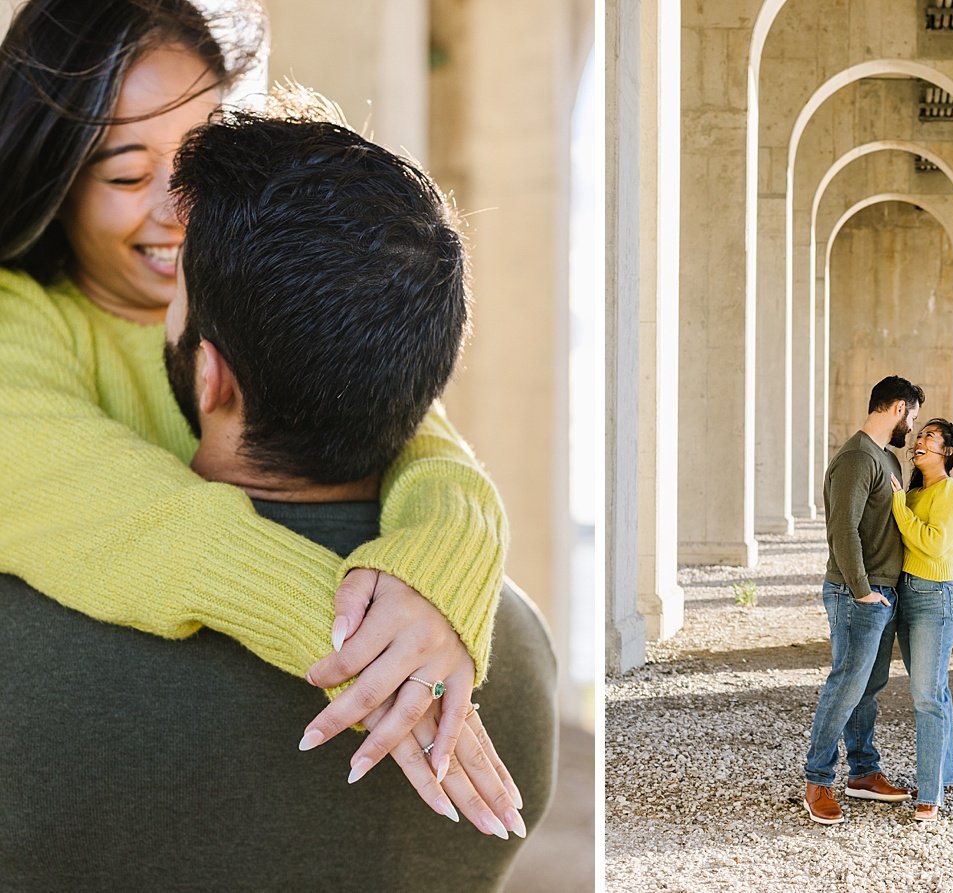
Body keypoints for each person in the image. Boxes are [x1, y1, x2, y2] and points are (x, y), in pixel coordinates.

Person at [0, 110, 557, 888]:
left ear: (210, 373)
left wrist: (344, 641)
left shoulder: (23, 649)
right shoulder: (512, 646)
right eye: (126, 170)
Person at [803, 375, 925, 825]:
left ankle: (862, 772)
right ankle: (817, 780)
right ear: (896, 408)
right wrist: (860, 589)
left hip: (882, 593)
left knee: (868, 688)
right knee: (846, 686)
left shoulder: (886, 460)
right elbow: (843, 529)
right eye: (910, 416)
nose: (910, 427)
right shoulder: (857, 458)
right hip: (857, 593)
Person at [888, 419, 953, 822]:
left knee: (925, 696)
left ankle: (930, 793)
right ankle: (945, 772)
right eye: (920, 435)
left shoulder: (952, 492)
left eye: (930, 437)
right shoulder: (916, 492)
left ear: (947, 452)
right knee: (935, 690)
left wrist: (899, 507)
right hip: (907, 597)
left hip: (935, 600)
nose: (919, 441)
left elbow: (934, 545)